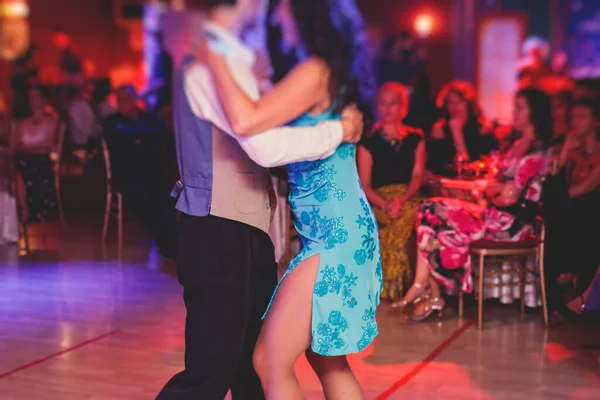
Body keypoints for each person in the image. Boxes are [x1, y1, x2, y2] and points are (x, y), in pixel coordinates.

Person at [156, 0, 365, 398]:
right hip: (220, 228)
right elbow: (262, 145)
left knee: (252, 365)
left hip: (251, 229)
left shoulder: (238, 60)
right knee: (213, 371)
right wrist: (339, 130)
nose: (273, 9)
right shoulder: (208, 59)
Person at [405, 88, 552, 321]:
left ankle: (430, 292)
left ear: (534, 113)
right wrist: (495, 189)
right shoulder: (516, 144)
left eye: (520, 107)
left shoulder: (537, 149)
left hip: (512, 224)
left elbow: (509, 196)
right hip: (494, 214)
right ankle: (428, 288)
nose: (514, 111)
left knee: (433, 216)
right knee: (427, 209)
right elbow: (496, 186)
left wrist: (495, 190)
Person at [358, 82, 426, 305]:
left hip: (408, 196)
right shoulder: (368, 141)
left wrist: (403, 199)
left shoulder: (416, 138)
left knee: (409, 214)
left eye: (393, 104)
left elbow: (417, 175)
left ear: (403, 107)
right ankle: (403, 286)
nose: (387, 109)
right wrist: (386, 203)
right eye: (383, 104)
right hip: (377, 199)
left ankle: (394, 286)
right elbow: (365, 184)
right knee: (397, 218)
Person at [103, 85, 177, 258]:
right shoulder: (112, 122)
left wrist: (140, 140)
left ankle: (172, 243)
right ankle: (165, 244)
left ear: (135, 99)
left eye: (127, 99)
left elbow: (164, 137)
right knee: (145, 198)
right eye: (120, 99)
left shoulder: (149, 119)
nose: (123, 103)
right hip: (128, 176)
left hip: (154, 172)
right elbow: (119, 146)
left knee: (166, 195)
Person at [426, 80, 497, 180]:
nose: (454, 107)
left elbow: (478, 167)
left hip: (476, 183)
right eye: (450, 102)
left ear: (468, 104)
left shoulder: (482, 129)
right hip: (445, 185)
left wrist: (457, 133)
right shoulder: (439, 130)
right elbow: (432, 169)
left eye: (459, 102)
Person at [11, 86, 59, 223]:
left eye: (37, 97)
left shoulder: (52, 122)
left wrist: (27, 148)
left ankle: (28, 210)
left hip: (41, 162)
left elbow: (48, 147)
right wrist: (34, 147)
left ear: (44, 99)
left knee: (24, 166)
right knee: (19, 166)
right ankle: (24, 209)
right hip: (23, 160)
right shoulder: (22, 123)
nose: (34, 101)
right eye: (31, 98)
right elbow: (14, 146)